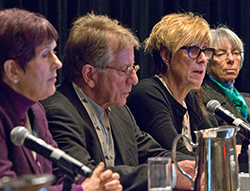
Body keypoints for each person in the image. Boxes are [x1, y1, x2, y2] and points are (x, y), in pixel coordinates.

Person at [40, 12, 195, 190]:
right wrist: (167, 175)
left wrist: (202, 164)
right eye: (125, 70)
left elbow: (155, 153)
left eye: (134, 68)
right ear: (90, 75)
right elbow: (87, 179)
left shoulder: (119, 110)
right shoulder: (57, 112)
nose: (134, 79)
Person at [0, 8, 122, 191]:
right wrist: (84, 189)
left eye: (54, 51)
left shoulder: (36, 111)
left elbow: (60, 175)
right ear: (12, 70)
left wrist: (97, 183)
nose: (57, 63)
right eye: (44, 54)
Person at [127, 12, 214, 156]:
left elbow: (212, 145)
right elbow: (176, 154)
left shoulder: (188, 98)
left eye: (205, 51)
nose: (203, 59)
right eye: (193, 50)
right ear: (166, 56)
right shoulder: (148, 94)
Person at [195, 26, 250, 172]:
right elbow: (213, 146)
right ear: (207, 59)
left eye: (236, 53)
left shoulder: (245, 100)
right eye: (221, 54)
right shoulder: (202, 95)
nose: (231, 59)